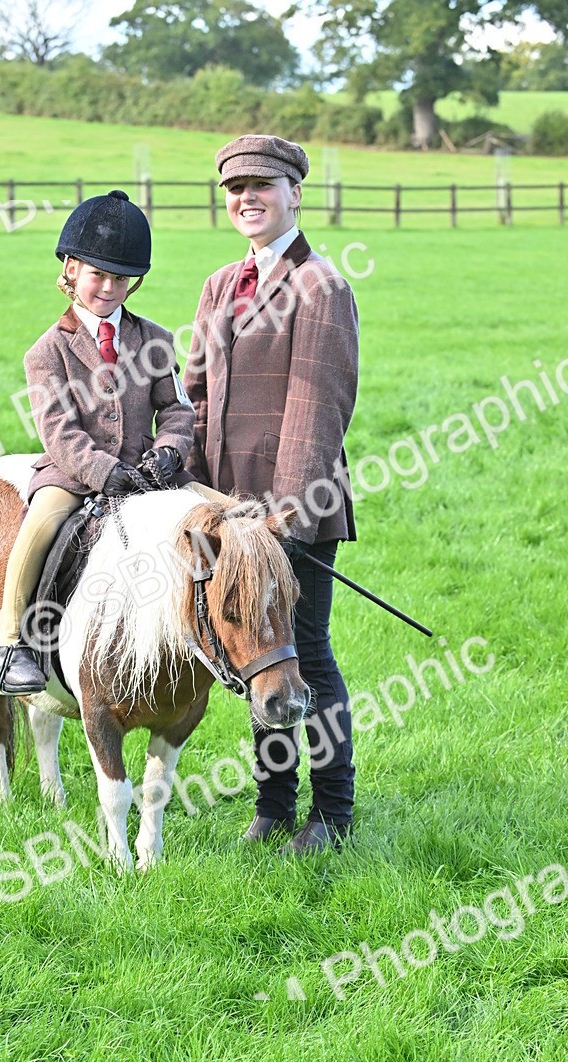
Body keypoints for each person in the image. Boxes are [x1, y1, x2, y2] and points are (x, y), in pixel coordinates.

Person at [183, 135, 359, 856]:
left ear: (294, 193)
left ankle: (334, 815)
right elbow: (195, 394)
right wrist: (187, 491)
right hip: (229, 513)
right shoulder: (221, 284)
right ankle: (273, 807)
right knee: (258, 658)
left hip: (294, 513)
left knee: (306, 654)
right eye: (235, 189)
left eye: (263, 185)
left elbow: (319, 407)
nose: (247, 198)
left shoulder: (321, 285)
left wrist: (283, 517)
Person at [0, 189, 196, 696]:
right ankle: (11, 640)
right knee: (40, 524)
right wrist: (104, 472)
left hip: (148, 471)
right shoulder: (48, 351)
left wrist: (169, 451)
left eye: (120, 279)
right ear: (70, 269)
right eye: (97, 275)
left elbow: (176, 409)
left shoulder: (154, 339)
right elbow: (58, 431)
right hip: (73, 474)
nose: (108, 287)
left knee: (221, 513)